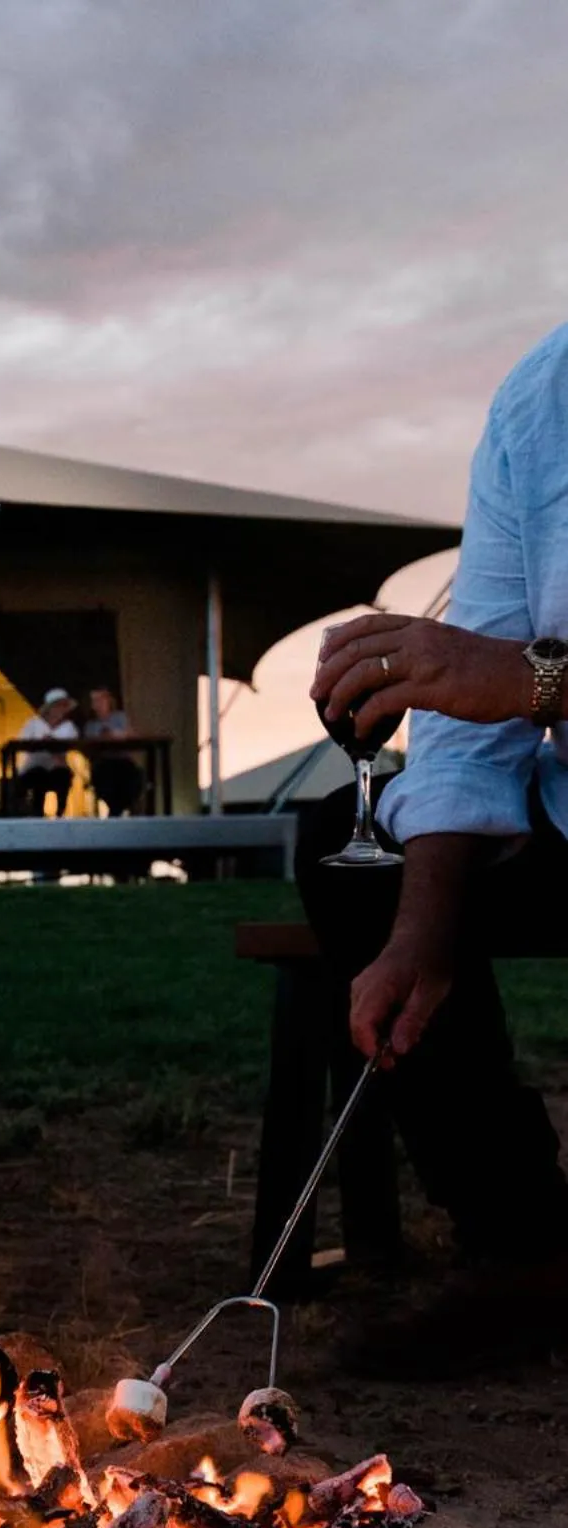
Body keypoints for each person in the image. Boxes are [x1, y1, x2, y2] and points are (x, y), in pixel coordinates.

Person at [304, 318, 568, 1376]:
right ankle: (524, 1244)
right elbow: (472, 708)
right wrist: (421, 930)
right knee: (349, 842)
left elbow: (515, 677)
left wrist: (534, 681)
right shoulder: (541, 399)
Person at [14, 688, 78, 816]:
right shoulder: (32, 724)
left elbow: (70, 746)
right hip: (34, 767)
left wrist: (52, 745)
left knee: (63, 775)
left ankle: (60, 813)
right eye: (58, 705)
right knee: (38, 774)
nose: (61, 709)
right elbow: (22, 744)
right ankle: (37, 814)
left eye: (63, 706)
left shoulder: (69, 727)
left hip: (58, 767)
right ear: (50, 708)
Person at [82, 685, 144, 816]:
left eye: (102, 699)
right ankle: (116, 811)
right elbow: (89, 745)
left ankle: (118, 811)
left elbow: (131, 735)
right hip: (103, 763)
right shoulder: (91, 724)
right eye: (95, 700)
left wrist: (119, 735)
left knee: (132, 777)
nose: (99, 703)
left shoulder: (120, 717)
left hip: (123, 762)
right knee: (106, 779)